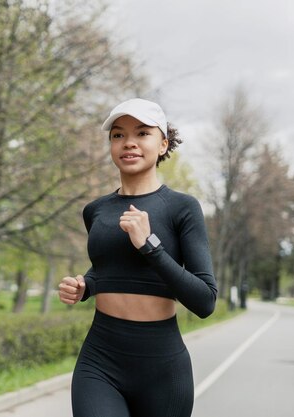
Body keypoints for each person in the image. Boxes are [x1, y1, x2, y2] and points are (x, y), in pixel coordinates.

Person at [58, 98, 218, 417]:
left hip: (162, 368)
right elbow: (107, 268)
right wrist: (86, 286)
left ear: (163, 145)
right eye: (118, 135)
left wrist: (150, 246)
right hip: (100, 360)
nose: (128, 142)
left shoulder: (182, 208)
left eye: (142, 133)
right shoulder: (96, 211)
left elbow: (205, 301)